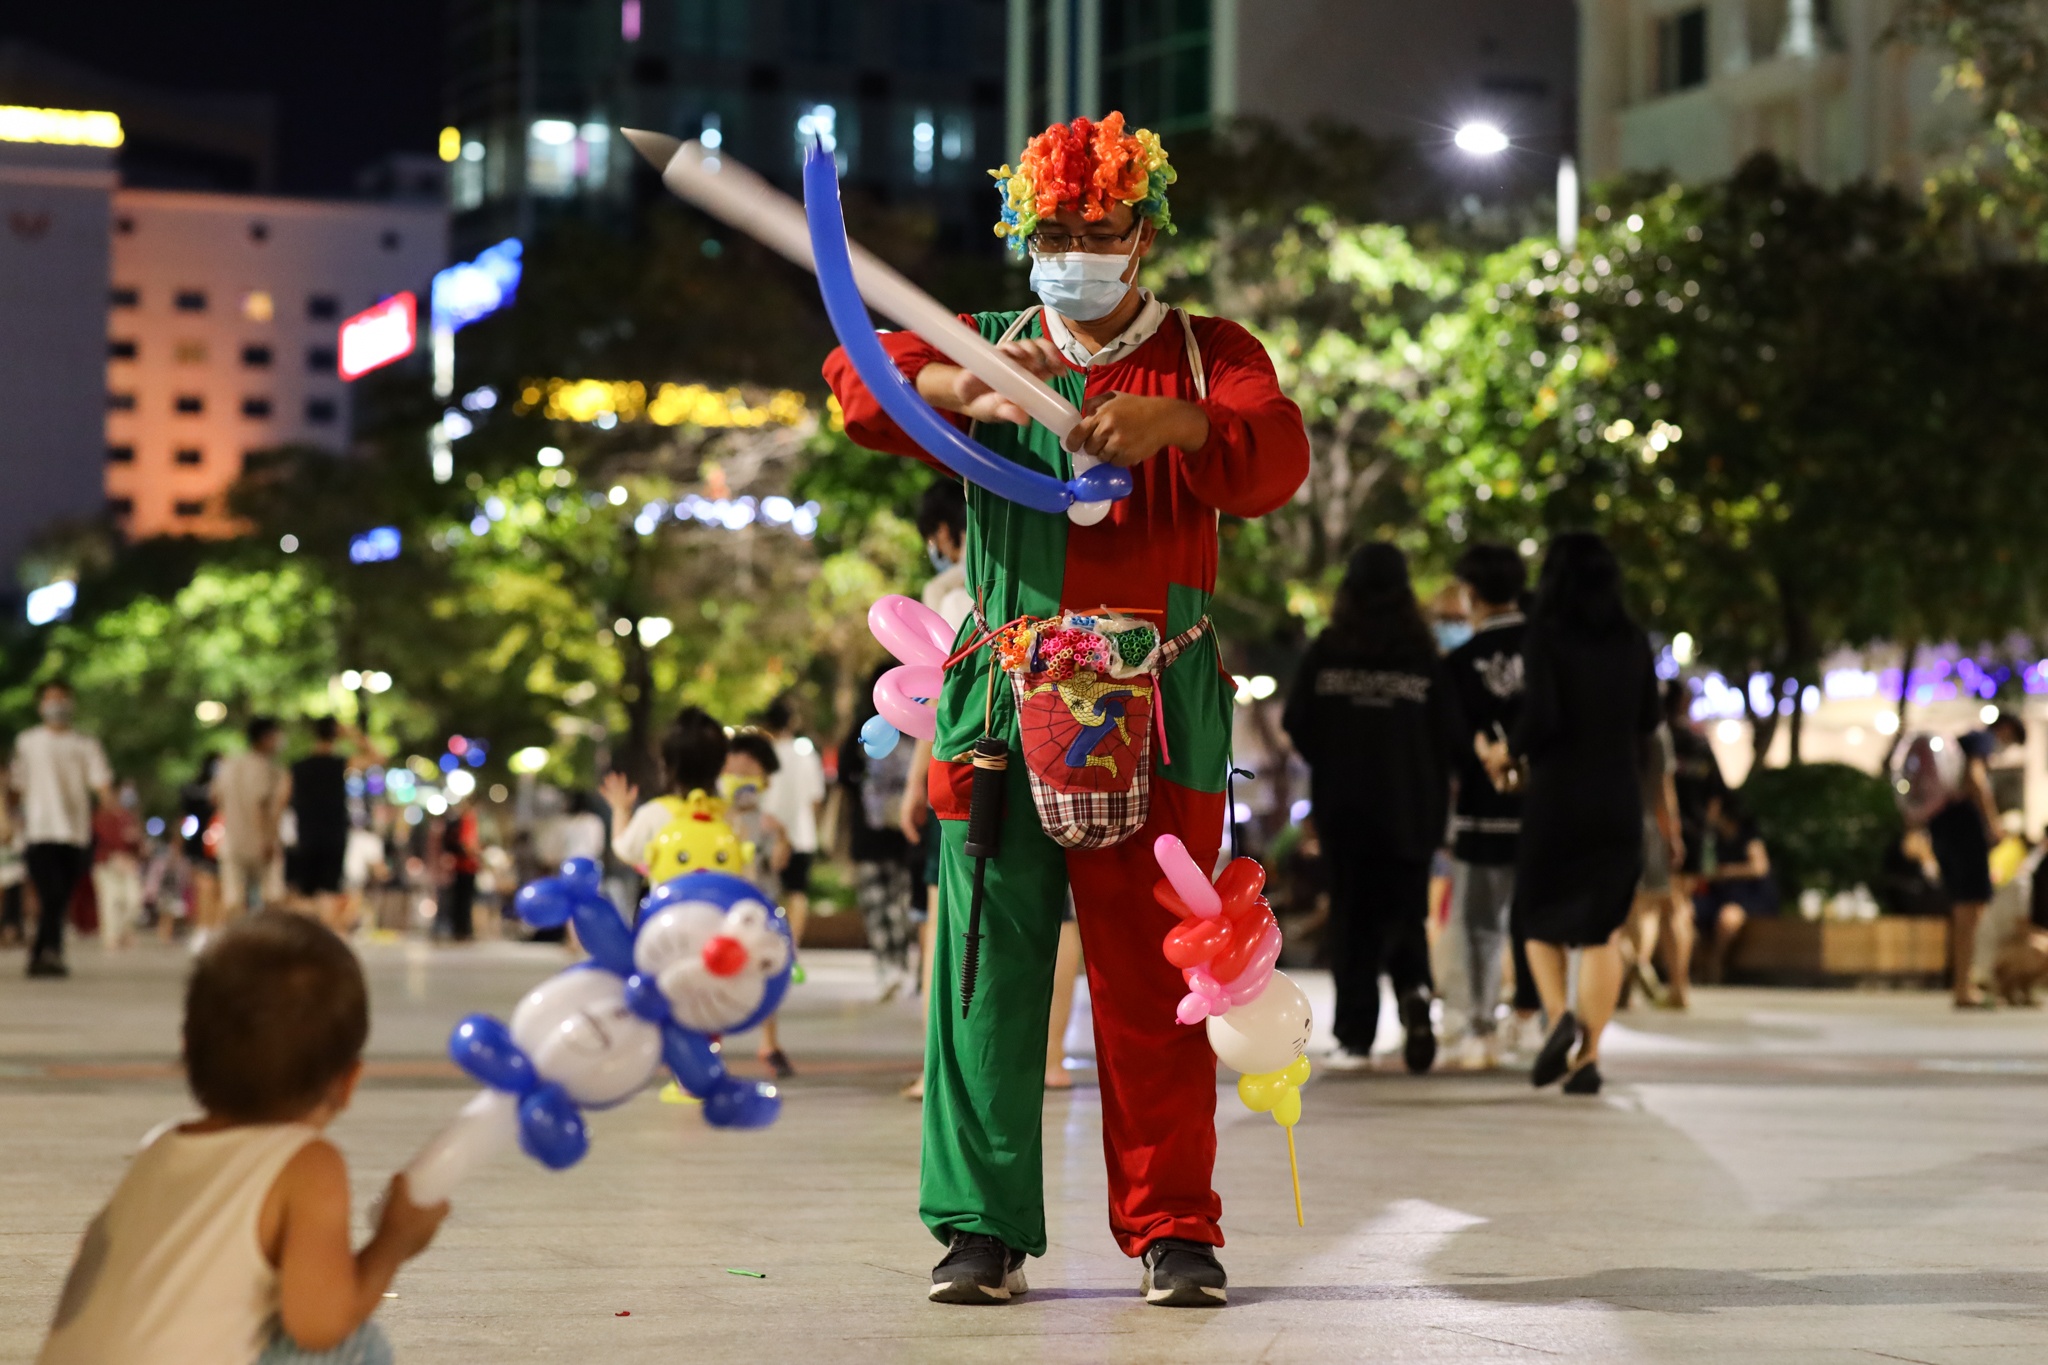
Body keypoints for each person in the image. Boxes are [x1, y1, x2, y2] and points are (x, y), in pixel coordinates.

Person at [825, 111, 1310, 1307]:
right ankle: (980, 1229)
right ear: (1022, 231)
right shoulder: (988, 342)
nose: (1075, 246)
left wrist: (1179, 424)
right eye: (1053, 228)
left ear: (1142, 234)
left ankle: (1172, 1228)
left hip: (1158, 703)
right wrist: (964, 391)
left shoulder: (1205, 353)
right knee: (986, 973)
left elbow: (1277, 457)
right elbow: (854, 379)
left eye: (1098, 228)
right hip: (1003, 704)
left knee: (1155, 974)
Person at [37, 912, 446, 1364]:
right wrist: (394, 1239)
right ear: (348, 1081)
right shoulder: (308, 1166)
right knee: (356, 1349)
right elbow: (320, 1323)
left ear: (187, 1049)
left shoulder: (157, 1148)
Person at [1485, 532, 1658, 1097]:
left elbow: (1543, 714)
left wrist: (1507, 751)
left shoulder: (1548, 636)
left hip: (1559, 793)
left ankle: (1558, 1014)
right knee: (1601, 929)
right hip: (1618, 794)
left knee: (1537, 915)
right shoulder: (1634, 641)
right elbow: (1648, 722)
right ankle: (1589, 1055)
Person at [1281, 543, 1461, 1074]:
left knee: (1354, 918)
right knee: (1408, 912)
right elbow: (1452, 737)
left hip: (1347, 808)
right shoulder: (1425, 658)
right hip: (1411, 809)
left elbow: (1298, 723)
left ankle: (1357, 1036)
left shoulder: (1328, 649)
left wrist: (1338, 760)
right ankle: (1415, 998)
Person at [1439, 542, 1531, 1064]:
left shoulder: (1458, 662)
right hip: (1542, 814)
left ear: (1471, 594)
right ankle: (1536, 1018)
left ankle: (1481, 1031)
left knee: (1479, 925)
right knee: (1539, 921)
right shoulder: (1546, 647)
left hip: (1481, 812)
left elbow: (1452, 743)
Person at [900, 480, 975, 1101]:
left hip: (957, 768)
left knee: (944, 919)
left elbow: (937, 698)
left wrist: (912, 786)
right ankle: (1048, 1057)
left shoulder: (947, 595)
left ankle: (938, 1068)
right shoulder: (1028, 577)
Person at [1907, 712, 2025, 1007]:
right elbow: (1975, 779)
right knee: (1970, 908)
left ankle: (1962, 982)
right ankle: (1963, 986)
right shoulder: (1981, 740)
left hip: (1943, 827)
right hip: (1965, 829)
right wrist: (1993, 823)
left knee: (1964, 906)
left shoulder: (1959, 742)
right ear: (2007, 730)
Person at [12, 680, 113, 978]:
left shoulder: (85, 744)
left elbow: (101, 782)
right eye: (50, 699)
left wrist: (110, 808)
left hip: (74, 832)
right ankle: (51, 951)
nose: (56, 705)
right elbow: (17, 786)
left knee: (60, 896)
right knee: (51, 894)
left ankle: (41, 952)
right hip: (39, 831)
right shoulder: (28, 742)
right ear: (41, 704)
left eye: (62, 699)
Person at [840, 668, 918, 998]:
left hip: (868, 835)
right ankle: (900, 963)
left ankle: (888, 967)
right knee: (900, 903)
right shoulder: (912, 725)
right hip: (905, 833)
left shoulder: (859, 731)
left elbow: (845, 777)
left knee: (877, 905)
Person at [756, 696, 827, 955]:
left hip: (767, 834)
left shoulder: (762, 756)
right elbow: (817, 798)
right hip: (802, 833)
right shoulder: (806, 756)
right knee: (797, 892)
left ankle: (768, 943)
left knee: (767, 892)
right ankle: (792, 945)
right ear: (792, 722)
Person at [1690, 793, 1775, 981]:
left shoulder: (1748, 836)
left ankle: (1715, 963)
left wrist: (1725, 872)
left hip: (1748, 896)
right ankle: (1697, 965)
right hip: (1718, 894)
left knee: (1727, 918)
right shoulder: (1712, 838)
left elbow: (1759, 867)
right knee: (1686, 913)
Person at [214, 718, 291, 919]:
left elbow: (215, 797)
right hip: (259, 841)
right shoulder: (265, 768)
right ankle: (270, 944)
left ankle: (234, 944)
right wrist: (267, 838)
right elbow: (261, 806)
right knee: (272, 896)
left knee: (233, 899)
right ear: (266, 738)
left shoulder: (228, 765)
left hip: (231, 838)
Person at [290, 718, 354, 930]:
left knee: (305, 892)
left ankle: (303, 941)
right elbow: (378, 758)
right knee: (329, 890)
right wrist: (353, 734)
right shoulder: (340, 764)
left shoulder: (298, 767)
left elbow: (283, 798)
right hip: (334, 835)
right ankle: (326, 943)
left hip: (306, 835)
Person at [91, 780, 145, 951]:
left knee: (133, 901)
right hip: (106, 866)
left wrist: (135, 849)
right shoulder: (98, 818)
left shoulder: (128, 818)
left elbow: (137, 844)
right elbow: (96, 844)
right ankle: (111, 937)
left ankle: (125, 931)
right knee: (109, 902)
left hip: (128, 865)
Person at [437, 802, 480, 942]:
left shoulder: (464, 821)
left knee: (462, 900)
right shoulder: (466, 821)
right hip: (464, 866)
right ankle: (462, 930)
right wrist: (474, 854)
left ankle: (461, 929)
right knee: (462, 900)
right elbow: (466, 843)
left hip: (465, 866)